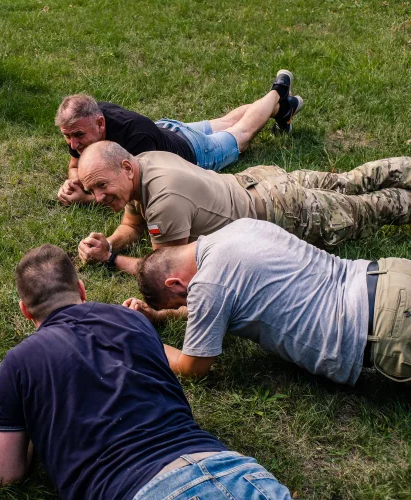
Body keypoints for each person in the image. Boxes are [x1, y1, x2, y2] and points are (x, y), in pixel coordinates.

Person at [0, 244, 293, 499]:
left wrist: (33, 420)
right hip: (236, 472)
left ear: (25, 311)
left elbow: (2, 472)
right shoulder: (134, 320)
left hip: (140, 490)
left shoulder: (19, 362)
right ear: (81, 289)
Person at [131, 218, 411, 385]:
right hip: (388, 275)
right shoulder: (237, 229)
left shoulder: (208, 284)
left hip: (389, 325)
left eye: (182, 300)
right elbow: (215, 307)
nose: (189, 305)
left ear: (174, 283)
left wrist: (141, 337)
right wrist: (160, 316)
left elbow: (192, 368)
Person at [77, 141, 411, 275]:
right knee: (350, 182)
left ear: (126, 168)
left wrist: (112, 259)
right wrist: (110, 242)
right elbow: (133, 224)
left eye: (102, 185)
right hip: (261, 181)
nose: (98, 196)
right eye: (92, 190)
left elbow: (166, 272)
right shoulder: (144, 163)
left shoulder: (164, 200)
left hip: (284, 212)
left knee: (373, 208)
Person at [56, 71, 304, 205]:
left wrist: (85, 198)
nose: (74, 144)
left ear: (100, 123)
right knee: (228, 120)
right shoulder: (85, 123)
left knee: (242, 132)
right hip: (167, 129)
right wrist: (74, 180)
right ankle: (284, 109)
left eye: (77, 136)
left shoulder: (134, 139)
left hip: (193, 151)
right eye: (67, 137)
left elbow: (134, 196)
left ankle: (278, 92)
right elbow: (75, 164)